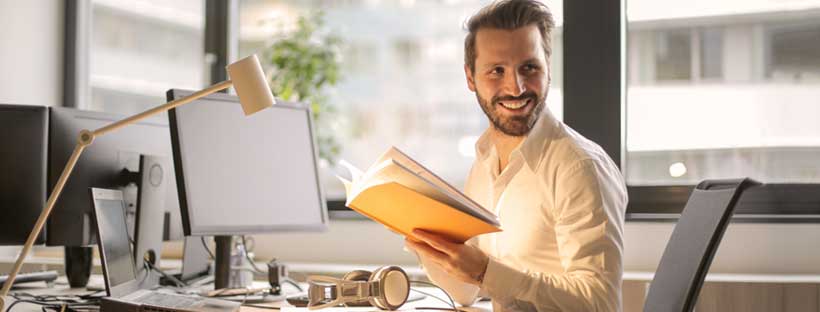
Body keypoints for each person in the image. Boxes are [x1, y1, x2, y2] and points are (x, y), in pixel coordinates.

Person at [403, 0, 628, 311]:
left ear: (548, 67)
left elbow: (600, 303)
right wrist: (427, 243)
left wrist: (486, 270)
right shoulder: (484, 161)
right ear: (471, 78)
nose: (516, 86)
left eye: (529, 68)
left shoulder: (579, 167)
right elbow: (467, 292)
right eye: (497, 71)